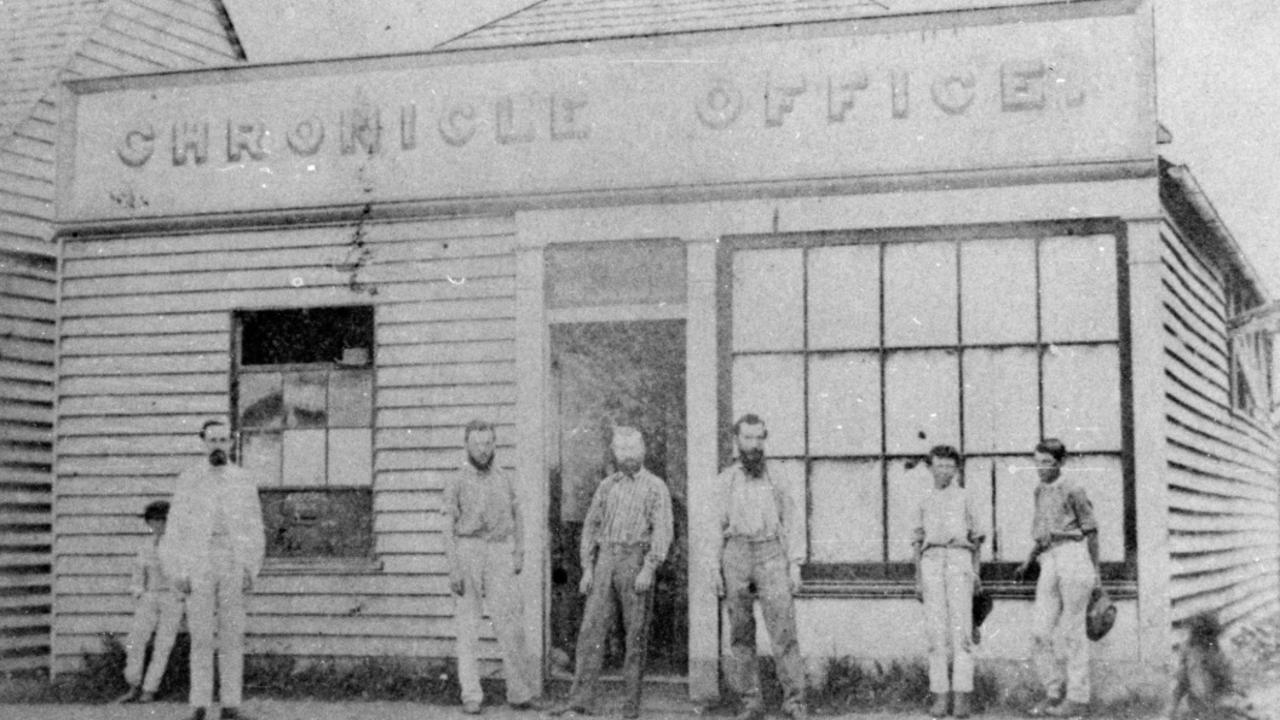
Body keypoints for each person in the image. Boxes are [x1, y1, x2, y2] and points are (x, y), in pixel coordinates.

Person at [550, 426, 673, 719]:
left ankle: (629, 707)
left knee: (635, 634)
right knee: (591, 630)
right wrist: (588, 568)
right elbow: (591, 527)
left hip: (636, 559)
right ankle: (580, 702)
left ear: (642, 451)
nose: (627, 455)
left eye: (633, 449)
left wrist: (649, 567)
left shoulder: (656, 487)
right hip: (606, 558)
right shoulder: (607, 486)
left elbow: (663, 531)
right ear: (614, 452)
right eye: (621, 449)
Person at [159, 419, 265, 720]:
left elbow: (254, 526)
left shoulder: (243, 480)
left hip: (232, 561)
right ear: (202, 443)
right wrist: (178, 569)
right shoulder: (189, 479)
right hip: (199, 562)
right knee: (202, 636)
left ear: (231, 443)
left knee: (232, 634)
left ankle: (231, 705)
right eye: (212, 440)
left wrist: (250, 567)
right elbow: (176, 527)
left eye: (223, 440)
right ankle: (200, 705)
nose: (217, 445)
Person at [442, 419, 541, 714]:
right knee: (467, 627)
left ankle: (520, 693)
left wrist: (520, 551)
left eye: (488, 444)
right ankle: (471, 695)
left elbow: (518, 515)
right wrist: (454, 568)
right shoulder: (457, 480)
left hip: (499, 551)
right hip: (468, 549)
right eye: (477, 444)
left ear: (495, 444)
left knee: (510, 624)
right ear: (467, 445)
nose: (483, 450)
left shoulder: (504, 478)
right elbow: (447, 528)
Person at [714, 414, 808, 720]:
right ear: (737, 441)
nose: (754, 445)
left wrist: (795, 565)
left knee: (783, 629)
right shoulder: (726, 480)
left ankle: (794, 702)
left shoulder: (777, 478)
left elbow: (793, 522)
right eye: (747, 438)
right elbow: (714, 526)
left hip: (770, 553)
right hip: (737, 553)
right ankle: (750, 702)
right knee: (740, 632)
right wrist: (714, 569)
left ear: (764, 440)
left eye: (758, 438)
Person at [1015, 439, 1100, 719]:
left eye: (1048, 463)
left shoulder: (1073, 488)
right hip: (1048, 560)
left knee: (1073, 632)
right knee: (1040, 631)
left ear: (1060, 463)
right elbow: (1042, 532)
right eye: (1038, 462)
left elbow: (1090, 531)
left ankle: (1078, 698)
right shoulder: (1039, 490)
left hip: (1074, 558)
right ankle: (1053, 692)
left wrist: (1096, 576)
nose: (1042, 468)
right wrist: (1029, 559)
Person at [912, 445, 987, 718]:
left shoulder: (966, 497)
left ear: (957, 469)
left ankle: (961, 697)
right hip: (931, 562)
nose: (944, 471)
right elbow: (917, 540)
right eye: (939, 465)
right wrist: (918, 579)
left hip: (959, 561)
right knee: (936, 633)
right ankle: (940, 696)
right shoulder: (923, 499)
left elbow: (977, 539)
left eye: (949, 466)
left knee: (962, 632)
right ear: (930, 468)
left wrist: (976, 573)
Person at [115, 500, 183, 704]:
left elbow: (185, 573)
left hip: (171, 597)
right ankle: (133, 685)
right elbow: (138, 575)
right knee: (136, 639)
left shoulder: (179, 545)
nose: (158, 525)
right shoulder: (145, 545)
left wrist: (180, 595)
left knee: (163, 644)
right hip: (150, 596)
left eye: (162, 521)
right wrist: (139, 593)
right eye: (153, 521)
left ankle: (149, 689)